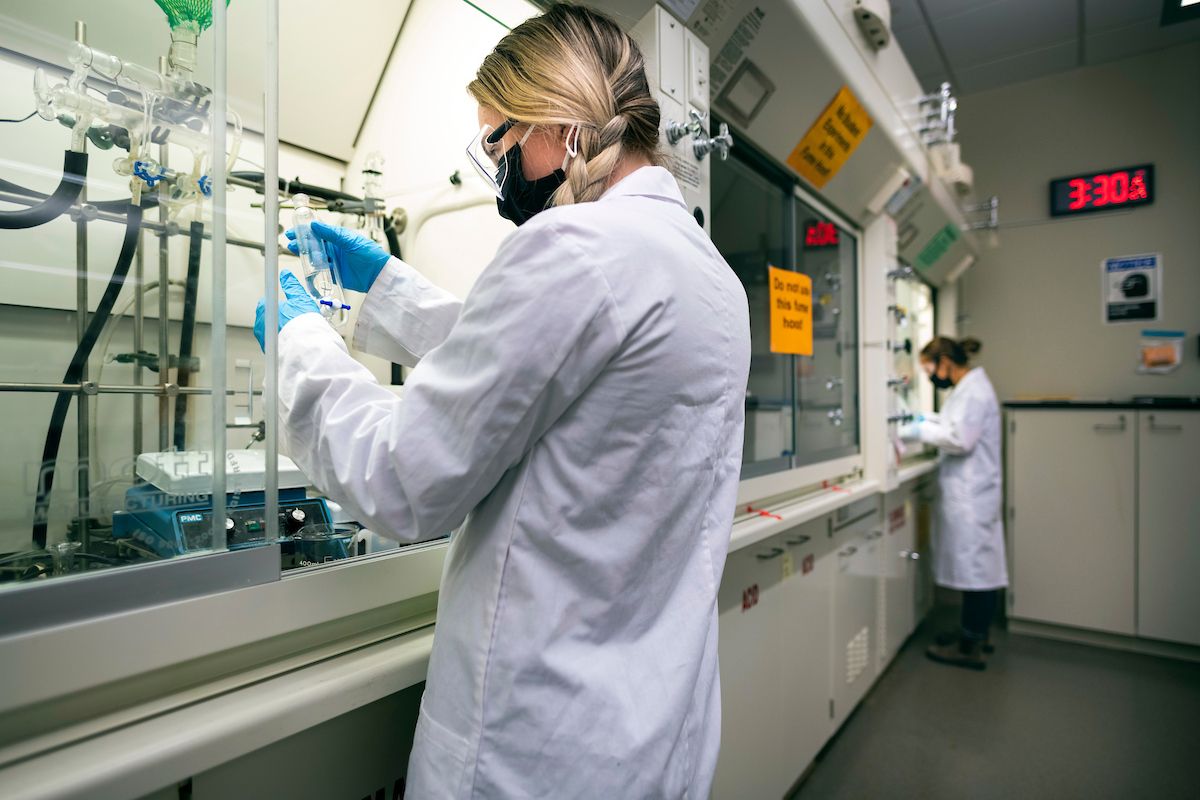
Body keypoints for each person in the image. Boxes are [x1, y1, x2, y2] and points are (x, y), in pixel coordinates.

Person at [254, 5, 751, 798]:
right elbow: (548, 372)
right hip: (650, 730)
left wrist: (299, 342)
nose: (496, 167)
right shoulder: (706, 270)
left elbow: (401, 479)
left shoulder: (573, 247)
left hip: (539, 743)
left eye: (496, 141)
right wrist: (384, 287)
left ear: (558, 125)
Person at [901, 336, 1006, 671]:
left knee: (977, 573)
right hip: (972, 495)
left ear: (945, 362)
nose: (931, 376)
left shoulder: (973, 392)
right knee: (976, 569)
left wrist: (918, 431)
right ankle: (973, 633)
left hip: (972, 498)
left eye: (930, 369)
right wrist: (924, 419)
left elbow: (960, 439)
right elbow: (953, 425)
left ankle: (971, 645)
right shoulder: (968, 389)